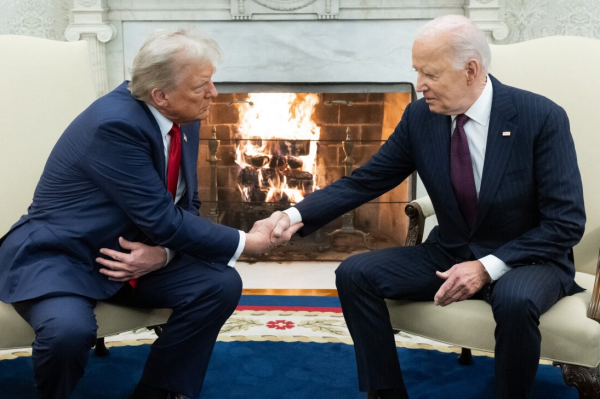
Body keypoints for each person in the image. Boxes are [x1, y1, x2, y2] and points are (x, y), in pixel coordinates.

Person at [271, 15, 585, 399]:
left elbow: (565, 223)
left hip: (527, 258)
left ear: (471, 70)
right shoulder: (421, 117)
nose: (419, 86)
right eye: (417, 71)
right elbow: (366, 180)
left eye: (430, 74)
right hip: (451, 249)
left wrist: (486, 268)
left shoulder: (540, 117)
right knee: (355, 273)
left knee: (516, 301)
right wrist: (293, 215)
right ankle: (386, 393)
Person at [0, 28, 299, 399]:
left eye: (211, 81)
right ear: (161, 95)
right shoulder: (115, 125)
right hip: (65, 257)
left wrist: (164, 254)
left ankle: (158, 391)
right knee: (68, 333)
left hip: (130, 255)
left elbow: (185, 205)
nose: (213, 94)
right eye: (202, 85)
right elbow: (163, 219)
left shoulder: (183, 115)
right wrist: (247, 243)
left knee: (219, 285)